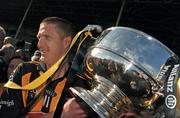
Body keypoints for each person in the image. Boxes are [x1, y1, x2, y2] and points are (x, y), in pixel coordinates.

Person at [0, 17, 90, 118]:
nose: (39, 44)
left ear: (66, 42)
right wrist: (60, 115)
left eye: (47, 37)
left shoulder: (81, 87)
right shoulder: (24, 71)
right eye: (39, 37)